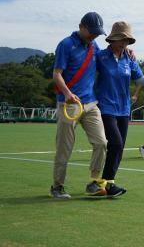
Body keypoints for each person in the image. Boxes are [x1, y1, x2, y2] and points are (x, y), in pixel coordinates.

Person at [96, 21, 144, 197]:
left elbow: (140, 80)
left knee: (119, 146)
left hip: (124, 109)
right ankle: (104, 182)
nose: (124, 44)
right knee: (115, 143)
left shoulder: (130, 58)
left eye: (126, 40)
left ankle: (108, 183)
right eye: (121, 39)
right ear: (112, 40)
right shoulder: (100, 57)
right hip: (105, 107)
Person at [50, 12, 108, 199]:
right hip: (69, 104)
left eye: (97, 33)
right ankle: (57, 186)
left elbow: (105, 61)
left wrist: (124, 51)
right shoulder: (66, 45)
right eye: (92, 32)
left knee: (101, 143)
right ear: (81, 26)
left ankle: (93, 182)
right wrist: (67, 93)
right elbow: (57, 74)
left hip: (90, 103)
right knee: (64, 147)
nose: (94, 36)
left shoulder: (95, 46)